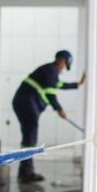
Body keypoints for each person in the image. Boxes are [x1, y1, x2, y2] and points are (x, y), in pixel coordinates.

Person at [11, 50, 85, 183]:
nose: (63, 68)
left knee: (28, 139)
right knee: (29, 139)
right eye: (64, 65)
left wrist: (78, 85)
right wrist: (59, 109)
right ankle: (26, 173)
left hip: (24, 103)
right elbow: (51, 94)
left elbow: (59, 85)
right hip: (27, 104)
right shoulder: (51, 71)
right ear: (61, 60)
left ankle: (25, 172)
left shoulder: (50, 71)